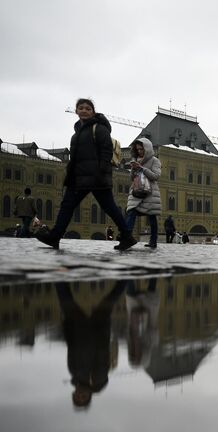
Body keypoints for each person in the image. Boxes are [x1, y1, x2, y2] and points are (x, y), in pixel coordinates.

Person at [36, 98, 137, 250]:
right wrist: (70, 174)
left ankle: (127, 236)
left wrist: (101, 172)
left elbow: (106, 151)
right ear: (76, 111)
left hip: (96, 177)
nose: (84, 110)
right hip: (79, 178)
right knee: (67, 205)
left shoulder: (99, 129)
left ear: (93, 112)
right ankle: (55, 236)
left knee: (109, 208)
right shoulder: (76, 134)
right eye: (81, 108)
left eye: (88, 108)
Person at [56, 279, 126, 409]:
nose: (80, 395)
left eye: (77, 397)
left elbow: (71, 349)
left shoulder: (74, 374)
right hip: (96, 329)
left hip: (78, 329)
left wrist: (67, 328)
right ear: (89, 396)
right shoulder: (97, 380)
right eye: (83, 398)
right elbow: (101, 353)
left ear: (73, 394)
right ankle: (127, 276)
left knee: (66, 300)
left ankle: (60, 273)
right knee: (110, 299)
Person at [124, 138, 161, 249]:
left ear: (147, 148)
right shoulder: (136, 160)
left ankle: (153, 241)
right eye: (138, 149)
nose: (139, 151)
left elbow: (156, 176)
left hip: (150, 193)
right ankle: (127, 238)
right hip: (136, 191)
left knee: (152, 217)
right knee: (131, 212)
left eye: (141, 149)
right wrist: (133, 169)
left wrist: (142, 168)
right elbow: (132, 178)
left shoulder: (155, 161)